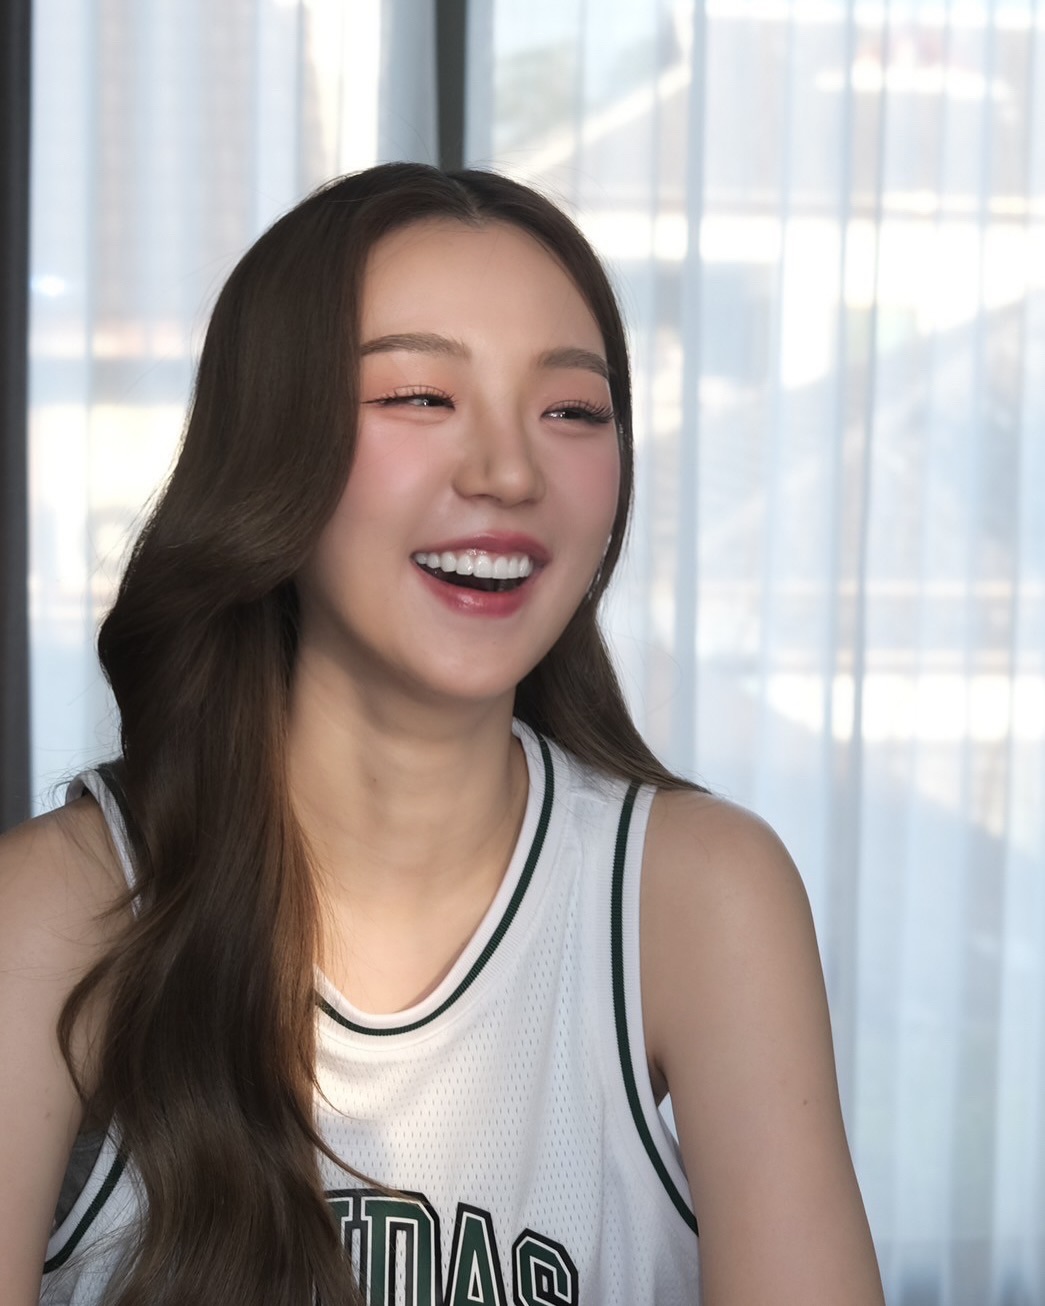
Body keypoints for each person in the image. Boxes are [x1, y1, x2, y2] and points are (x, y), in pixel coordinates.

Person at [0, 163, 885, 1306]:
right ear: (269, 444)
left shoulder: (699, 896)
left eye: (572, 411)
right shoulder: (56, 909)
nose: (509, 472)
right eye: (420, 398)